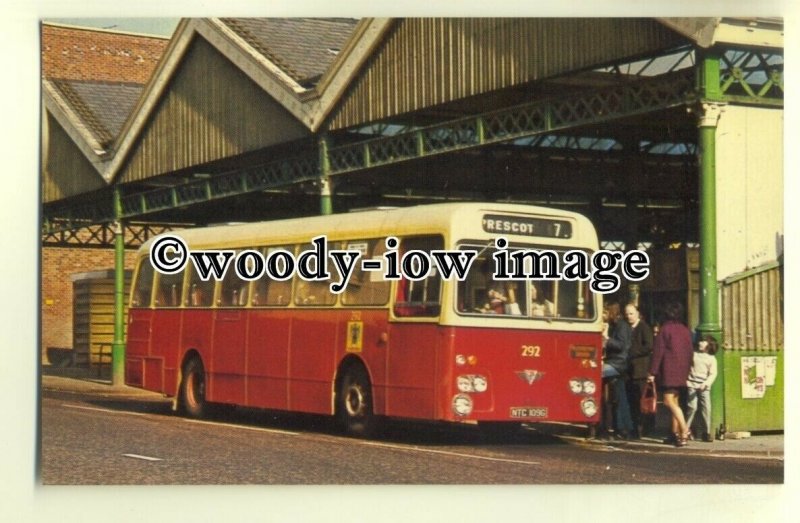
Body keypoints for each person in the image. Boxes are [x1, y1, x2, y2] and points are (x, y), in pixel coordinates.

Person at [647, 301, 694, 447]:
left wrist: (652, 372)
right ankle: (674, 434)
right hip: (682, 371)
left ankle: (685, 430)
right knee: (676, 401)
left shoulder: (665, 330)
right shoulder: (686, 330)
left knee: (668, 401)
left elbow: (658, 353)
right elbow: (690, 351)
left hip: (669, 370)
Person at [601, 300, 634, 439]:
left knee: (593, 374)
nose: (605, 315)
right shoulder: (618, 325)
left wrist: (607, 339)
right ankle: (624, 427)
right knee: (621, 398)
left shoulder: (621, 326)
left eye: (607, 312)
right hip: (617, 364)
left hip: (617, 364)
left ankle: (606, 423)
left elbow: (621, 345)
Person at [624, 303, 654, 438]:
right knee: (633, 401)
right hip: (630, 370)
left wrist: (632, 352)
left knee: (641, 401)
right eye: (627, 314)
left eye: (631, 313)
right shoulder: (626, 328)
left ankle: (643, 428)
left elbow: (649, 346)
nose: (629, 316)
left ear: (637, 314)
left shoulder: (644, 327)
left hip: (640, 370)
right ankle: (635, 428)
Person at [685, 335, 718, 442]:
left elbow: (713, 373)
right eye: (701, 341)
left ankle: (706, 432)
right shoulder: (694, 355)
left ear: (709, 345)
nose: (700, 343)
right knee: (692, 407)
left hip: (704, 386)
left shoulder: (711, 359)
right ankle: (685, 429)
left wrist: (706, 383)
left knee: (706, 408)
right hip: (692, 384)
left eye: (703, 342)